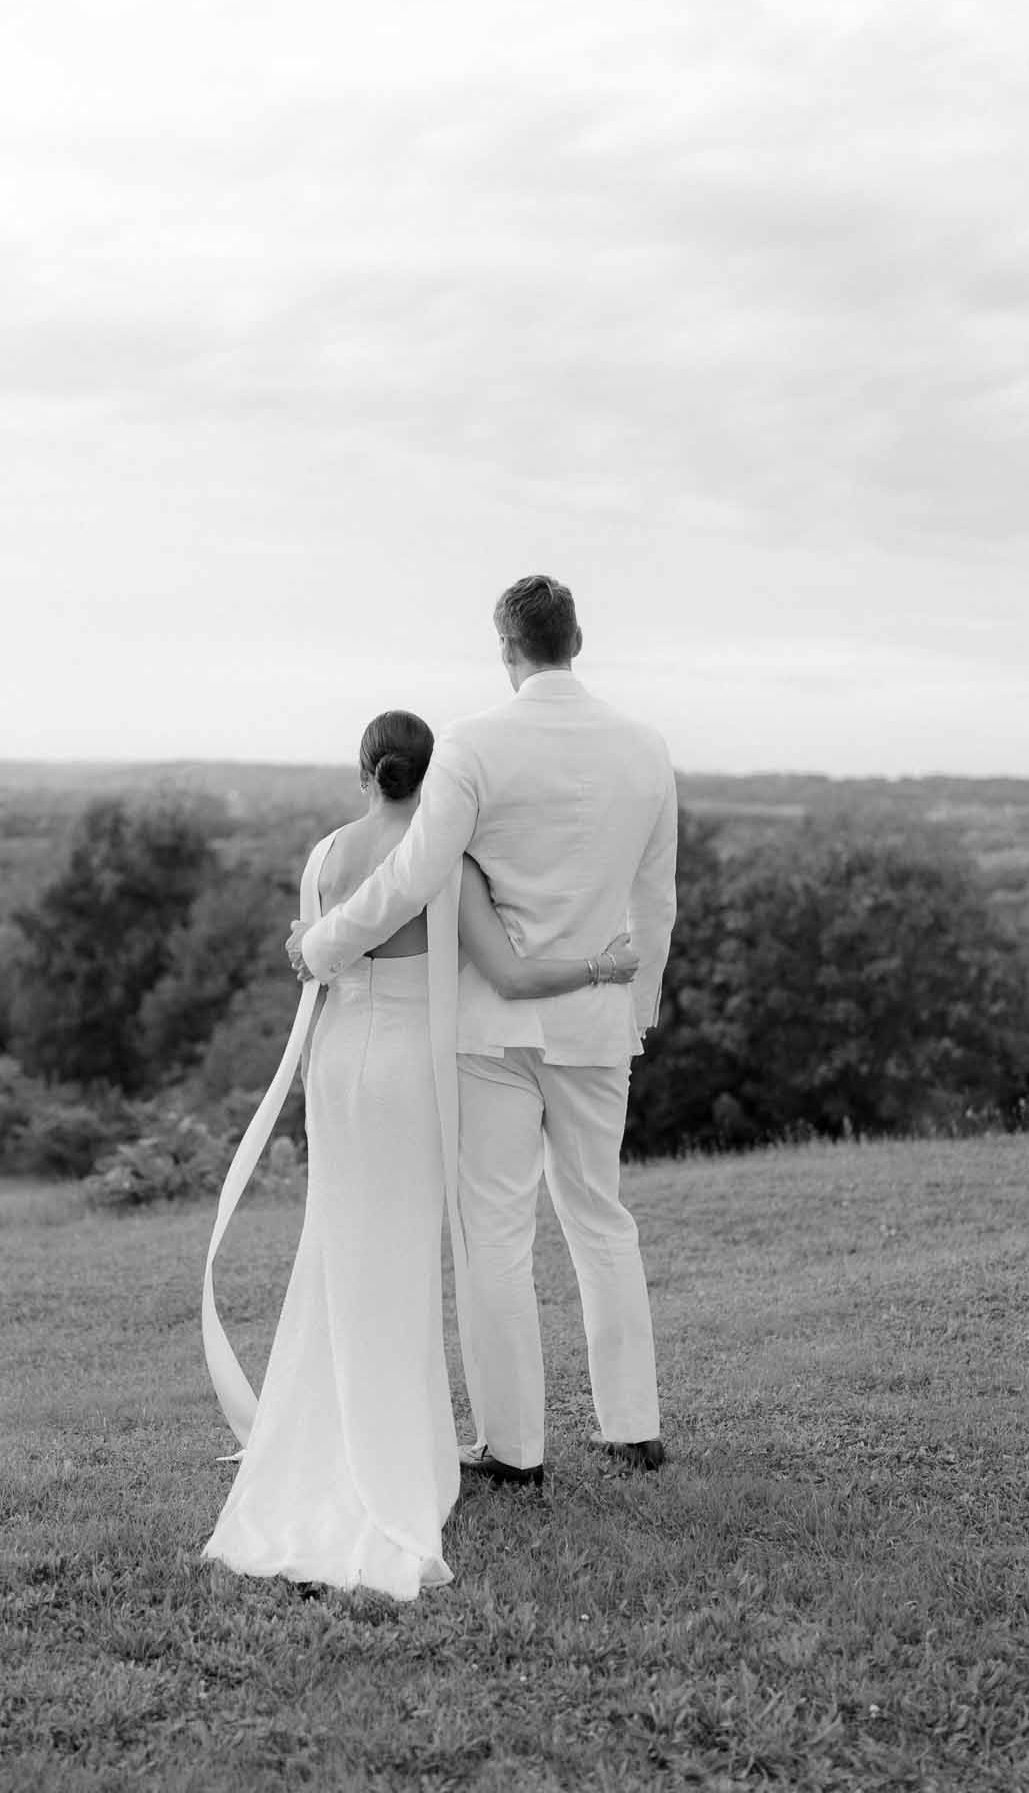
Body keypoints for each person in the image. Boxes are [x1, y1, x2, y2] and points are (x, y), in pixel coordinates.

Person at [203, 708, 637, 1600]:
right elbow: (511, 979)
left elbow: (316, 965)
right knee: (400, 1256)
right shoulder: (447, 861)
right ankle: (393, 1450)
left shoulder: (324, 856)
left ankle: (322, 1430)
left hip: (337, 1065)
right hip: (409, 1072)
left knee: (336, 1243)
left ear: (363, 771)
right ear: (433, 776)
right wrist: (599, 969)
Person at [289, 575, 678, 1489]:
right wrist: (638, 1003)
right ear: (575, 638)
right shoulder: (646, 747)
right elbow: (654, 896)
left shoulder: (472, 742)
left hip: (492, 1029)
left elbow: (414, 877)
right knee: (599, 1216)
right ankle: (633, 1428)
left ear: (506, 646)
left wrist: (322, 942)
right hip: (594, 1023)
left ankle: (514, 1449)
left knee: (494, 1235)